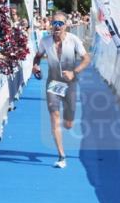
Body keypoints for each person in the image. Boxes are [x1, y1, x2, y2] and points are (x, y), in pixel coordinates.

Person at [32, 12, 90, 169]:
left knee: (69, 123)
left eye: (60, 23)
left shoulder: (74, 40)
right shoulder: (45, 41)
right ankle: (61, 155)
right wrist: (36, 65)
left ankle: (68, 122)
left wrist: (74, 72)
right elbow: (37, 56)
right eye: (54, 23)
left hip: (70, 85)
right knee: (54, 116)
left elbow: (87, 59)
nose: (57, 26)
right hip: (53, 84)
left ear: (66, 25)